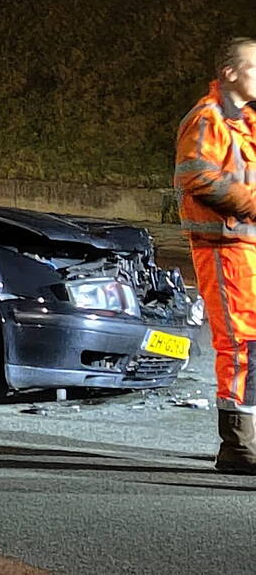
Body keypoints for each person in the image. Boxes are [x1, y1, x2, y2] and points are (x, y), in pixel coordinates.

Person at [175, 37, 256, 474]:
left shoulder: (244, 121)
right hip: (225, 250)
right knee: (241, 346)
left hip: (247, 249)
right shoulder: (209, 118)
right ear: (229, 73)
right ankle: (239, 446)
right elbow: (196, 176)